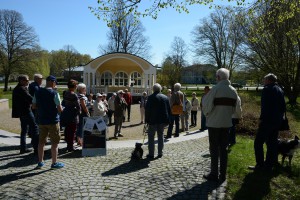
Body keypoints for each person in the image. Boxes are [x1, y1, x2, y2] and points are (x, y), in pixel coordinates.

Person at [202, 68, 241, 182]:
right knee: (224, 149)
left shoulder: (215, 89)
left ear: (218, 77)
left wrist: (207, 114)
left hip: (214, 124)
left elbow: (206, 106)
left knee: (214, 149)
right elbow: (237, 109)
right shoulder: (233, 90)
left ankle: (214, 174)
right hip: (227, 123)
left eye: (216, 76)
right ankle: (223, 175)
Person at [248, 73, 285, 171]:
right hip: (277, 121)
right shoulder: (280, 89)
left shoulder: (267, 89)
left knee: (258, 142)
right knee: (272, 143)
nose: (263, 81)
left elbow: (265, 107)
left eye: (264, 80)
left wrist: (261, 119)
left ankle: (260, 165)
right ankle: (269, 165)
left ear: (269, 80)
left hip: (267, 120)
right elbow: (283, 107)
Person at [33, 75, 64, 169]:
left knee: (41, 142)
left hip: (42, 121)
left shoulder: (37, 92)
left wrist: (42, 108)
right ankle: (54, 163)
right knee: (55, 143)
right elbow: (60, 109)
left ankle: (40, 162)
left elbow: (33, 106)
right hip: (53, 121)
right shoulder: (54, 93)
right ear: (53, 82)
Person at [12, 74, 39, 154]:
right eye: (27, 80)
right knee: (35, 128)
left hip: (21, 113)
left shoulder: (17, 89)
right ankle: (37, 149)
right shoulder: (21, 89)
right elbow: (30, 98)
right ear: (21, 81)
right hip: (26, 112)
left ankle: (23, 148)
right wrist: (38, 103)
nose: (28, 82)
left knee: (24, 130)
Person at [145, 83, 171, 159]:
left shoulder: (150, 98)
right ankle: (160, 153)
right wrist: (168, 120)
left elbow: (147, 110)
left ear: (153, 89)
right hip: (162, 120)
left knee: (151, 137)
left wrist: (146, 120)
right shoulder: (165, 97)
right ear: (160, 89)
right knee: (160, 136)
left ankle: (151, 153)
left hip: (153, 120)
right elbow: (169, 110)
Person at [60, 79, 80, 152]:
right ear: (74, 86)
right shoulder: (73, 94)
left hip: (66, 113)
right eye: (76, 85)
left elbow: (64, 103)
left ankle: (68, 145)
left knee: (67, 131)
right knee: (72, 131)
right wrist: (79, 112)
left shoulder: (65, 93)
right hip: (72, 114)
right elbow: (78, 106)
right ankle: (70, 147)